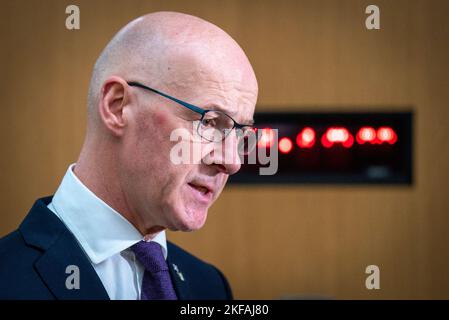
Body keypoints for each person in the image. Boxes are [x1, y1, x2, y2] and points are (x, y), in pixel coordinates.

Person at [0, 11, 258, 299]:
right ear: (117, 106)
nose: (232, 162)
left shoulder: (210, 286)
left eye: (240, 133)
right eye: (210, 122)